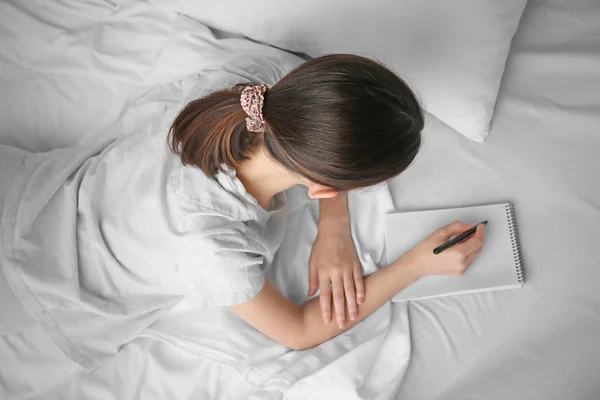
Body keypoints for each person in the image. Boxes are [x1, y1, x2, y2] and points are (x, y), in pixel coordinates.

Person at [0, 54, 484, 392]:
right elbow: (297, 330)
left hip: (27, 190)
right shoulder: (215, 250)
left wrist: (333, 224)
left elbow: (321, 109)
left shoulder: (247, 87)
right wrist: (416, 264)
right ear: (323, 186)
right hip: (38, 300)